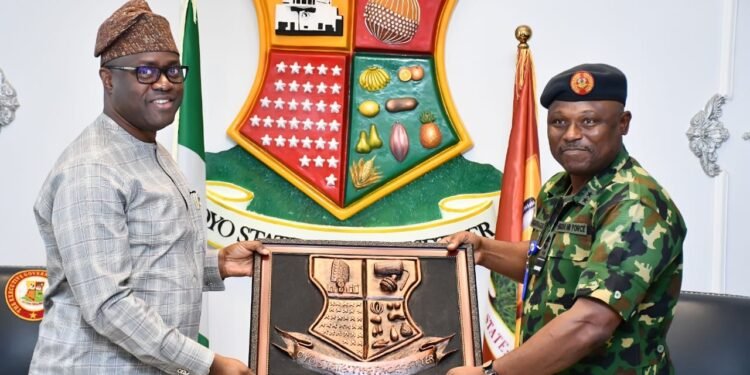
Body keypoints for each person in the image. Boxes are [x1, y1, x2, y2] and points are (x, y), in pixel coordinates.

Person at [29, 1, 264, 374]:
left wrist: (217, 265)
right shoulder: (93, 169)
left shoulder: (147, 149)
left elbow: (148, 261)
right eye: (145, 71)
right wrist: (209, 363)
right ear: (108, 79)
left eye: (173, 70)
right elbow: (108, 304)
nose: (164, 82)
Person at [444, 63, 686, 374]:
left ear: (622, 123)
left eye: (589, 121)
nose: (571, 135)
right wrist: (485, 251)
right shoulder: (558, 189)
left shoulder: (634, 203)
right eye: (558, 122)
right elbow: (545, 263)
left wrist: (491, 373)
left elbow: (591, 322)